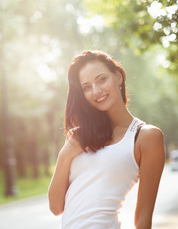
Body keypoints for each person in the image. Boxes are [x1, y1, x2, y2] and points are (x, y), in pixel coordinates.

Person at [48, 50, 165, 229]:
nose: (96, 91)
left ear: (118, 77)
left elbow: (143, 217)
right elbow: (56, 207)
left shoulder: (146, 137)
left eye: (101, 79)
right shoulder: (78, 137)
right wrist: (65, 155)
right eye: (86, 87)